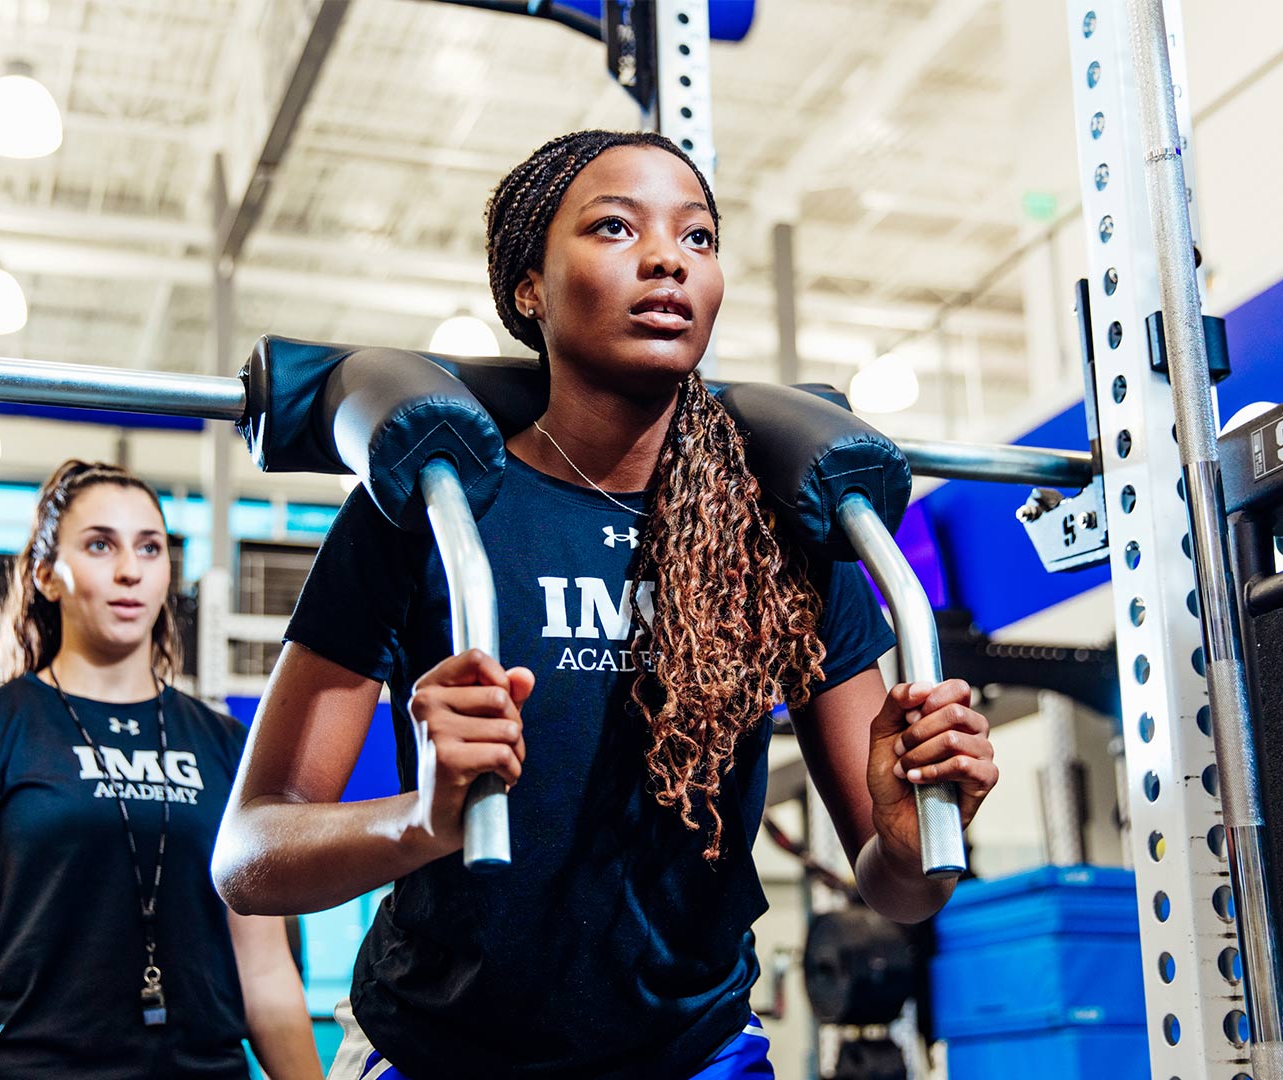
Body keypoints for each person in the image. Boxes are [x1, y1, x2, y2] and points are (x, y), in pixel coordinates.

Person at [212, 130, 999, 1080]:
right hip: (438, 1048)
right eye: (616, 227)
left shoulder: (780, 531)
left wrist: (914, 845)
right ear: (528, 288)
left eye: (698, 237)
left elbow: (899, 891)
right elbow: (249, 853)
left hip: (694, 1052)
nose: (668, 257)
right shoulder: (432, 510)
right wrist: (421, 820)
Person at [0, 460, 323, 1080]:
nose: (130, 570)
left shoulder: (229, 745)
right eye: (101, 545)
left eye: (150, 548)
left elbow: (263, 969)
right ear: (47, 575)